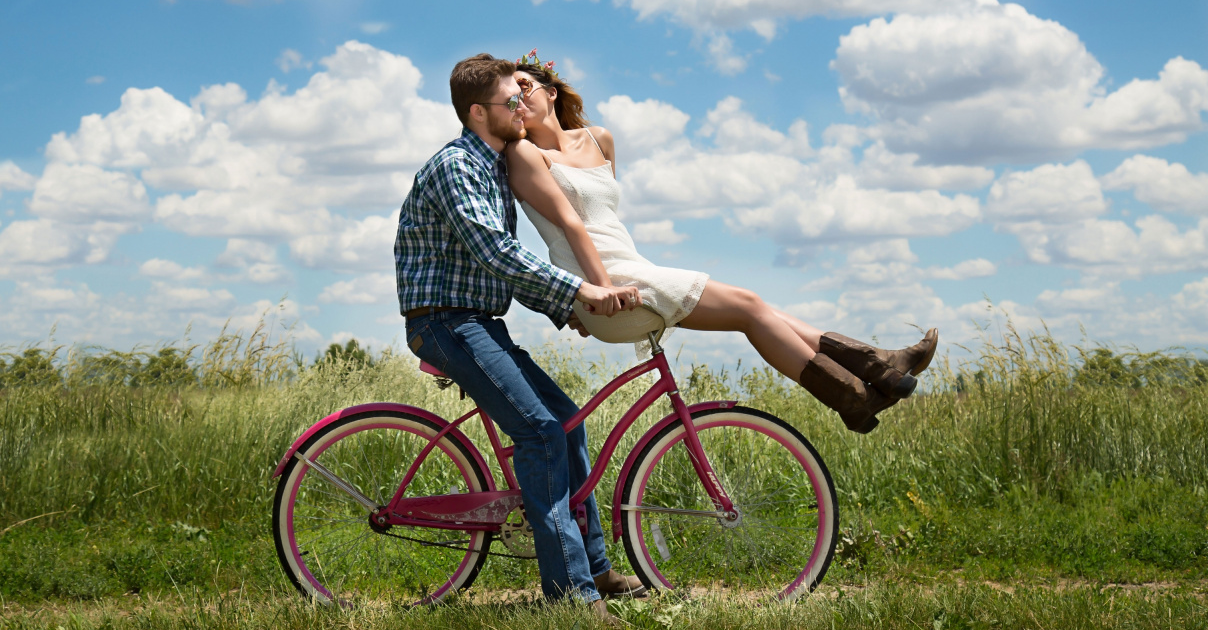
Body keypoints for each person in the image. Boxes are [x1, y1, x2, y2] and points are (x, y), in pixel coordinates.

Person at [505, 50, 939, 434]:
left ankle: (875, 372)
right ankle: (859, 390)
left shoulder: (599, 140)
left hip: (629, 269)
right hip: (604, 285)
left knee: (757, 309)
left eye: (524, 87)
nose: (519, 99)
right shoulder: (525, 155)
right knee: (750, 308)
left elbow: (606, 221)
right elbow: (572, 227)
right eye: (509, 97)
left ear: (551, 91)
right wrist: (595, 291)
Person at [394, 53, 644, 621]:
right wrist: (582, 291)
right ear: (480, 112)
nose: (522, 109)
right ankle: (571, 596)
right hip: (444, 322)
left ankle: (597, 570)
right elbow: (496, 253)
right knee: (541, 433)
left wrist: (567, 309)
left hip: (479, 321)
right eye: (513, 101)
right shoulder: (458, 166)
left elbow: (498, 270)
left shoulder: (493, 167)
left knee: (568, 422)